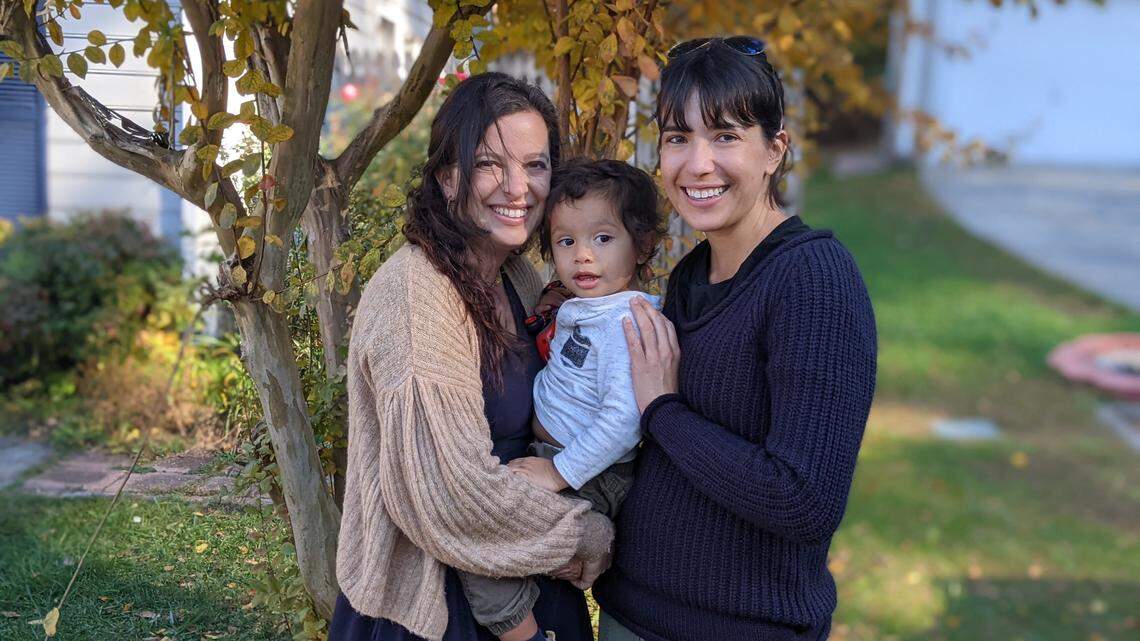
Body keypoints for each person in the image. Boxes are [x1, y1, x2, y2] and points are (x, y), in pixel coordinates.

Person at [592, 37, 878, 641]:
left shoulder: (813, 281)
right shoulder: (692, 274)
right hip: (628, 612)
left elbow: (803, 499)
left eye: (725, 136)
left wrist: (663, 412)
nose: (697, 164)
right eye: (678, 137)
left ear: (775, 150)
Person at [330, 72, 613, 641]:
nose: (518, 187)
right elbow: (453, 496)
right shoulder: (417, 295)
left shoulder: (517, 274)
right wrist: (587, 536)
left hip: (527, 580)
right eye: (490, 164)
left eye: (535, 165)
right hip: (438, 606)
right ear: (447, 176)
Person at [460, 159, 665, 641]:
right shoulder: (589, 307)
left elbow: (625, 420)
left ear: (644, 245)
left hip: (586, 471)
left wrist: (558, 472)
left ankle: (520, 632)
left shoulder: (626, 325)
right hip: (561, 460)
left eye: (603, 238)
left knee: (480, 535)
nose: (583, 256)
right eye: (566, 242)